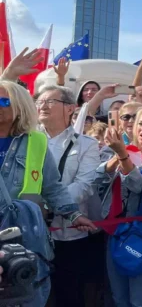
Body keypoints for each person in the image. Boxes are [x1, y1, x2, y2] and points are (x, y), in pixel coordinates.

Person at [0, 79, 97, 305]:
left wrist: (73, 214)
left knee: (27, 291)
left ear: (20, 106)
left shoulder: (37, 142)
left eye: (4, 101)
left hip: (26, 235)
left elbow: (52, 187)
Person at [36, 85, 103, 307]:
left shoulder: (86, 145)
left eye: (50, 101)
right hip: (32, 231)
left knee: (69, 294)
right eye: (40, 101)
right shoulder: (27, 141)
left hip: (68, 234)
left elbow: (84, 185)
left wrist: (49, 206)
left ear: (70, 108)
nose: (43, 106)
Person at [99, 108, 142, 307]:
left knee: (139, 298)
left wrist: (121, 155)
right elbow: (98, 178)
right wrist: (119, 155)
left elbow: (137, 185)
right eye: (141, 123)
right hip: (116, 230)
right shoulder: (127, 151)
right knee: (119, 296)